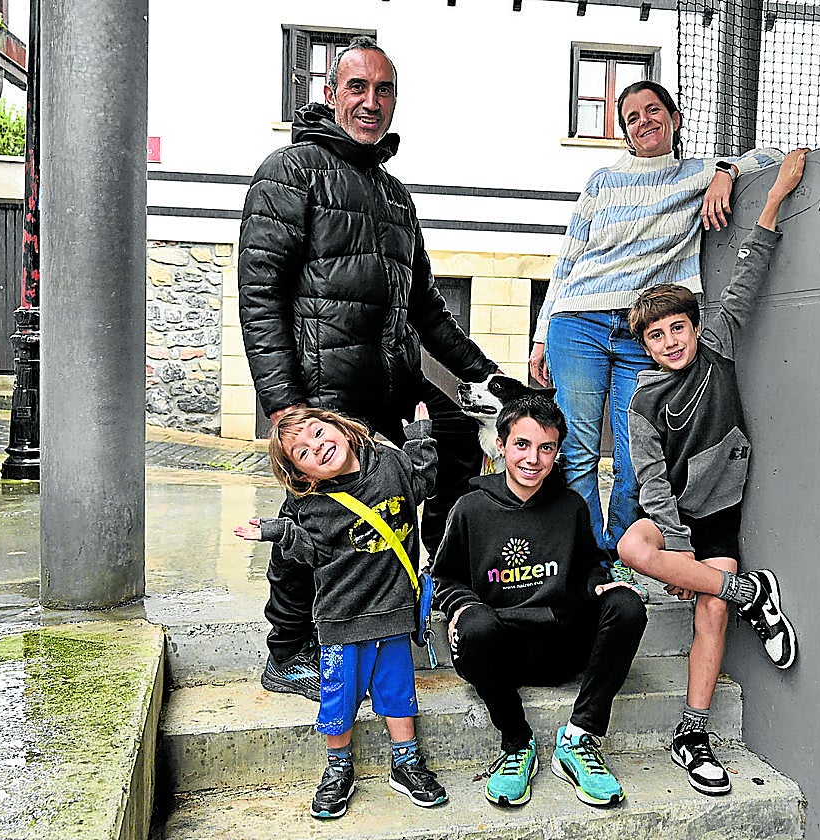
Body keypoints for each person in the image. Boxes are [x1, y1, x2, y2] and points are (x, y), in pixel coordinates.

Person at [237, 35, 499, 701]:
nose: (371, 102)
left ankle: (421, 586)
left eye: (384, 90)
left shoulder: (394, 196)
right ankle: (286, 648)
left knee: (457, 445)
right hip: (322, 390)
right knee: (312, 512)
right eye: (358, 88)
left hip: (391, 382)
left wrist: (491, 381)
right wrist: (284, 405)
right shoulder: (290, 170)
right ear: (331, 94)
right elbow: (260, 294)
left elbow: (427, 310)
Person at [617, 148, 808, 797]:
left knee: (709, 610)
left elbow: (750, 271)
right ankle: (754, 596)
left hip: (720, 513)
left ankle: (691, 732)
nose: (671, 341)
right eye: (657, 335)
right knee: (631, 545)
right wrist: (676, 547)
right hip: (677, 520)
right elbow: (649, 482)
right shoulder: (643, 400)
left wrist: (776, 194)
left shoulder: (719, 342)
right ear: (643, 345)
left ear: (695, 327)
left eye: (678, 328)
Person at [530, 80, 784, 561]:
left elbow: (771, 156)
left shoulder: (698, 173)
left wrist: (727, 172)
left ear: (674, 118)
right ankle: (586, 559)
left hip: (641, 332)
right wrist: (543, 335)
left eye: (653, 111)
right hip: (577, 321)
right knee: (579, 449)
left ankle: (623, 551)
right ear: (625, 131)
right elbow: (568, 259)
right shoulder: (601, 181)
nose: (643, 121)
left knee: (634, 458)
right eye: (632, 117)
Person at [431, 394, 647, 809]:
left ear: (557, 452)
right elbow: (445, 577)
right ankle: (517, 744)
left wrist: (602, 584)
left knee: (627, 604)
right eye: (522, 445)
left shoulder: (571, 506)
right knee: (474, 623)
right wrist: (461, 605)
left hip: (561, 644)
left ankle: (580, 739)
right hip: (499, 648)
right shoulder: (470, 508)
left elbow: (589, 566)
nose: (533, 458)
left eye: (546, 447)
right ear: (501, 445)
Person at [234, 403, 448, 819]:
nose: (317, 448)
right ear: (302, 475)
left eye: (317, 433)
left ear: (338, 426)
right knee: (339, 696)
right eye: (303, 454)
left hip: (393, 611)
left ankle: (406, 763)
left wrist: (422, 439)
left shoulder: (388, 462)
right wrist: (280, 533)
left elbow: (422, 483)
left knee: (398, 691)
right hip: (341, 617)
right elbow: (312, 554)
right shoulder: (309, 504)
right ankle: (338, 768)